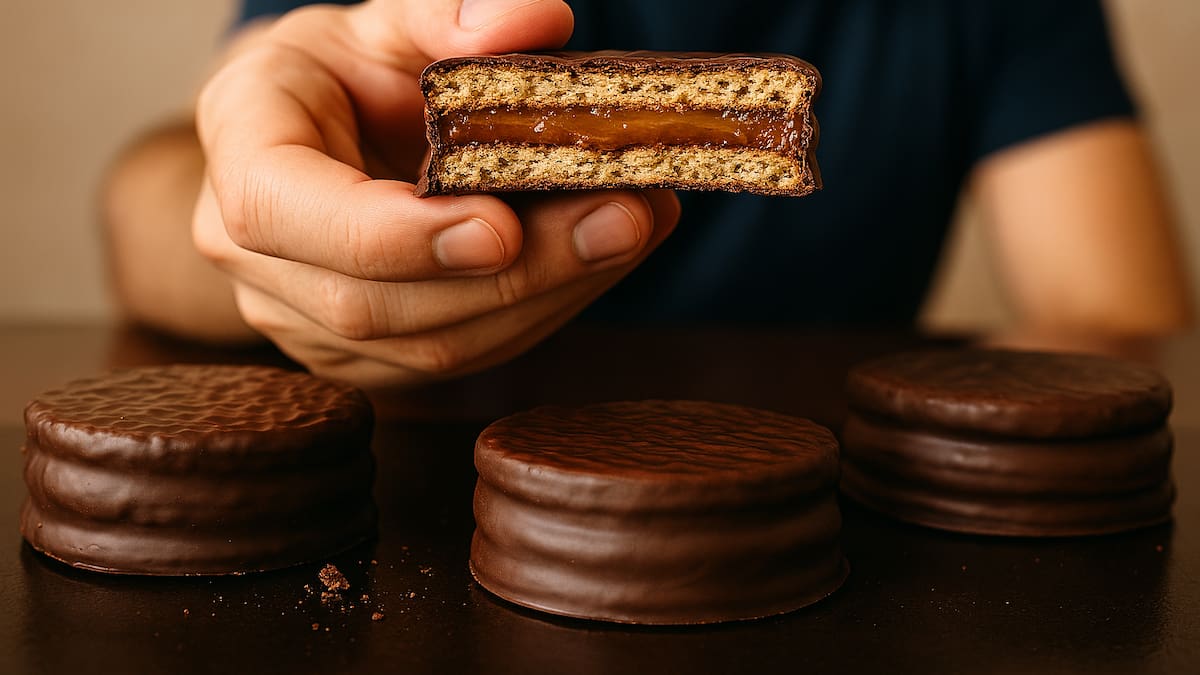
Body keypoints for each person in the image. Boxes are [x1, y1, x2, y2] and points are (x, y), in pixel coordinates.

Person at [103, 0, 1193, 388]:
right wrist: (255, 227)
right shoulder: (452, 13)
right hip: (439, 506)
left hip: (825, 526)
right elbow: (167, 195)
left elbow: (1123, 326)